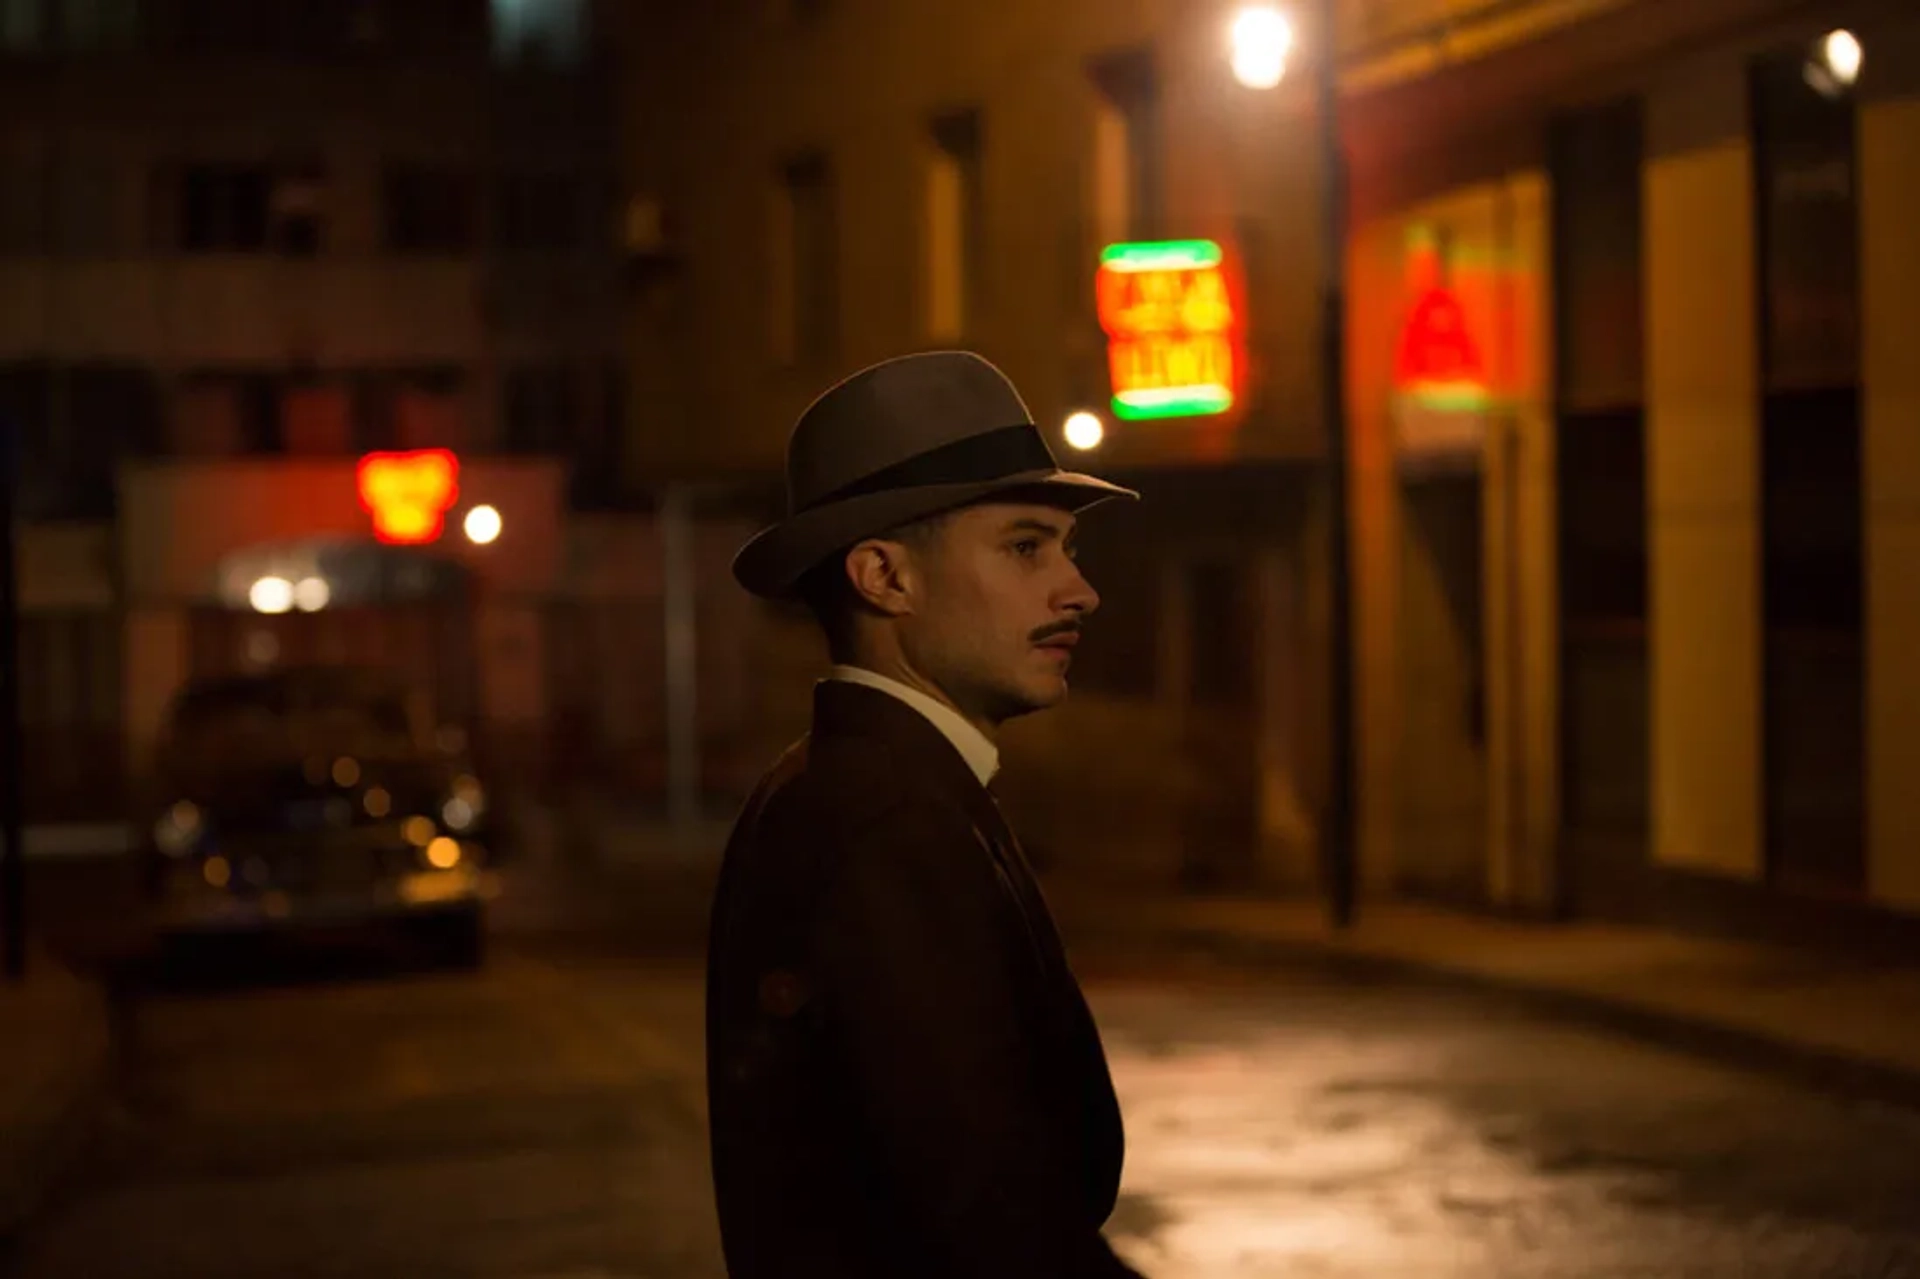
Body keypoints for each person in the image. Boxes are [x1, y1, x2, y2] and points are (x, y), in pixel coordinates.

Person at [705, 351, 1149, 1279]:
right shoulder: (884, 819)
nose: (1078, 589)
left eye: (1069, 549)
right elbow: (990, 1216)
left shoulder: (874, 786)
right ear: (884, 577)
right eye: (1027, 546)